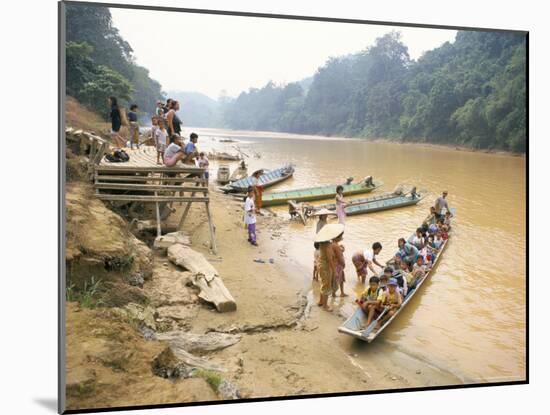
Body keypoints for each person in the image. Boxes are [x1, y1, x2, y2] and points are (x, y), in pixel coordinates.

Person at [315, 224, 345, 312]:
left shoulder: (322, 243)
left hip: (321, 264)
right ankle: (325, 306)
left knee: (323, 284)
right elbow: (330, 259)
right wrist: (335, 271)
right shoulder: (327, 245)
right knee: (326, 285)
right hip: (325, 266)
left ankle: (321, 302)